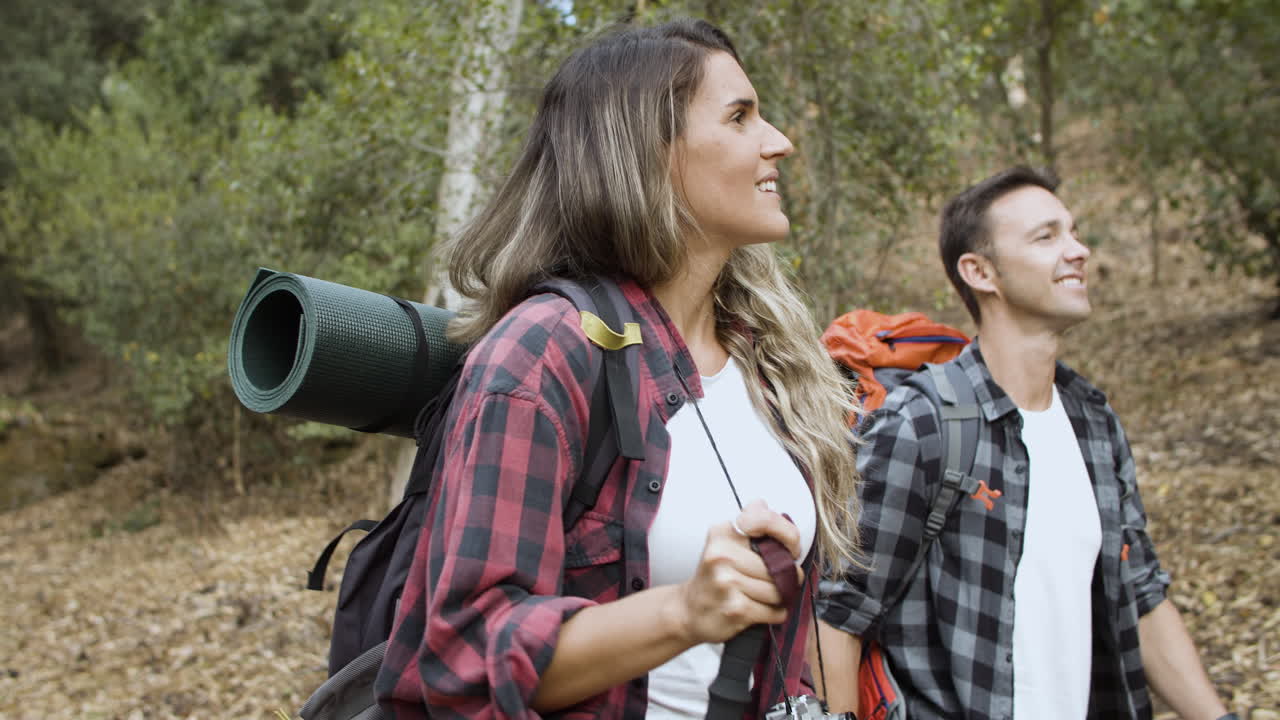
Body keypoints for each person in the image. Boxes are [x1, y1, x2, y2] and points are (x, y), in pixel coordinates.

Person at [374, 19, 862, 720]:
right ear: (649, 154)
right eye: (740, 116)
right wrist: (683, 611)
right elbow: (465, 659)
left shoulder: (768, 358)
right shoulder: (546, 353)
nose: (778, 140)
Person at [816, 167, 1237, 720]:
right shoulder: (924, 422)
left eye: (1074, 232)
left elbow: (1140, 596)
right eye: (1047, 237)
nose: (1078, 250)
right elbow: (838, 618)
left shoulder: (1092, 420)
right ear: (980, 272)